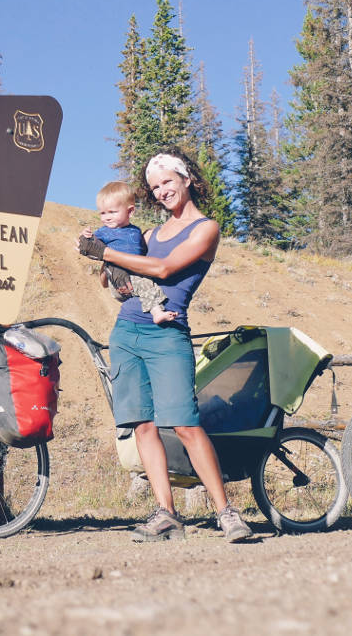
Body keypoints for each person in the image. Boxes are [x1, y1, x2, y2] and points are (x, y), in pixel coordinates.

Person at [77, 148, 253, 543]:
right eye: (155, 187)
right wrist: (108, 267)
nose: (161, 192)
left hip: (168, 336)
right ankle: (166, 514)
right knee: (142, 425)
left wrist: (104, 252)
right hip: (126, 333)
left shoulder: (206, 229)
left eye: (167, 182)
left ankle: (226, 512)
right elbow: (115, 278)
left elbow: (164, 269)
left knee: (186, 425)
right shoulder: (147, 234)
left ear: (187, 179)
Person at [93, 180, 175, 325]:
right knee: (145, 283)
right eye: (103, 213)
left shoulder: (135, 231)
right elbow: (92, 245)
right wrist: (86, 237)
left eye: (112, 212)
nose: (106, 217)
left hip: (133, 275)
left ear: (130, 211)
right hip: (119, 280)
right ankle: (157, 312)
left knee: (145, 281)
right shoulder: (104, 232)